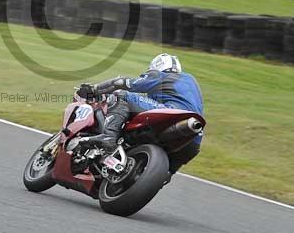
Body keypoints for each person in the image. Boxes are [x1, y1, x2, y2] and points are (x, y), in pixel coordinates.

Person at [77, 53, 205, 174]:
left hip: (172, 112)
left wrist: (94, 89)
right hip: (194, 139)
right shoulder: (191, 82)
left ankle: (108, 136)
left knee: (121, 96)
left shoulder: (161, 75)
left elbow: (122, 83)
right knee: (164, 175)